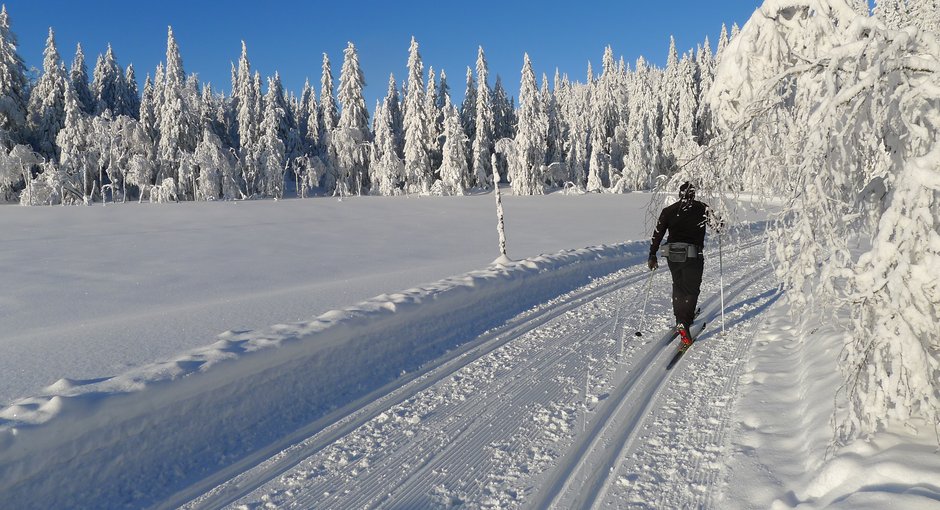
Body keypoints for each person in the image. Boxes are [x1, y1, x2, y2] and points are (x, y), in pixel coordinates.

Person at [647, 181, 718, 346]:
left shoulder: (669, 210)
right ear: (693, 194)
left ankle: (680, 318)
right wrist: (720, 224)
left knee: (678, 285)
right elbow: (717, 226)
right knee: (691, 288)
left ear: (680, 194)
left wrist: (652, 254)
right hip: (692, 254)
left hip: (672, 253)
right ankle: (685, 321)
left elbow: (658, 233)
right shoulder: (702, 208)